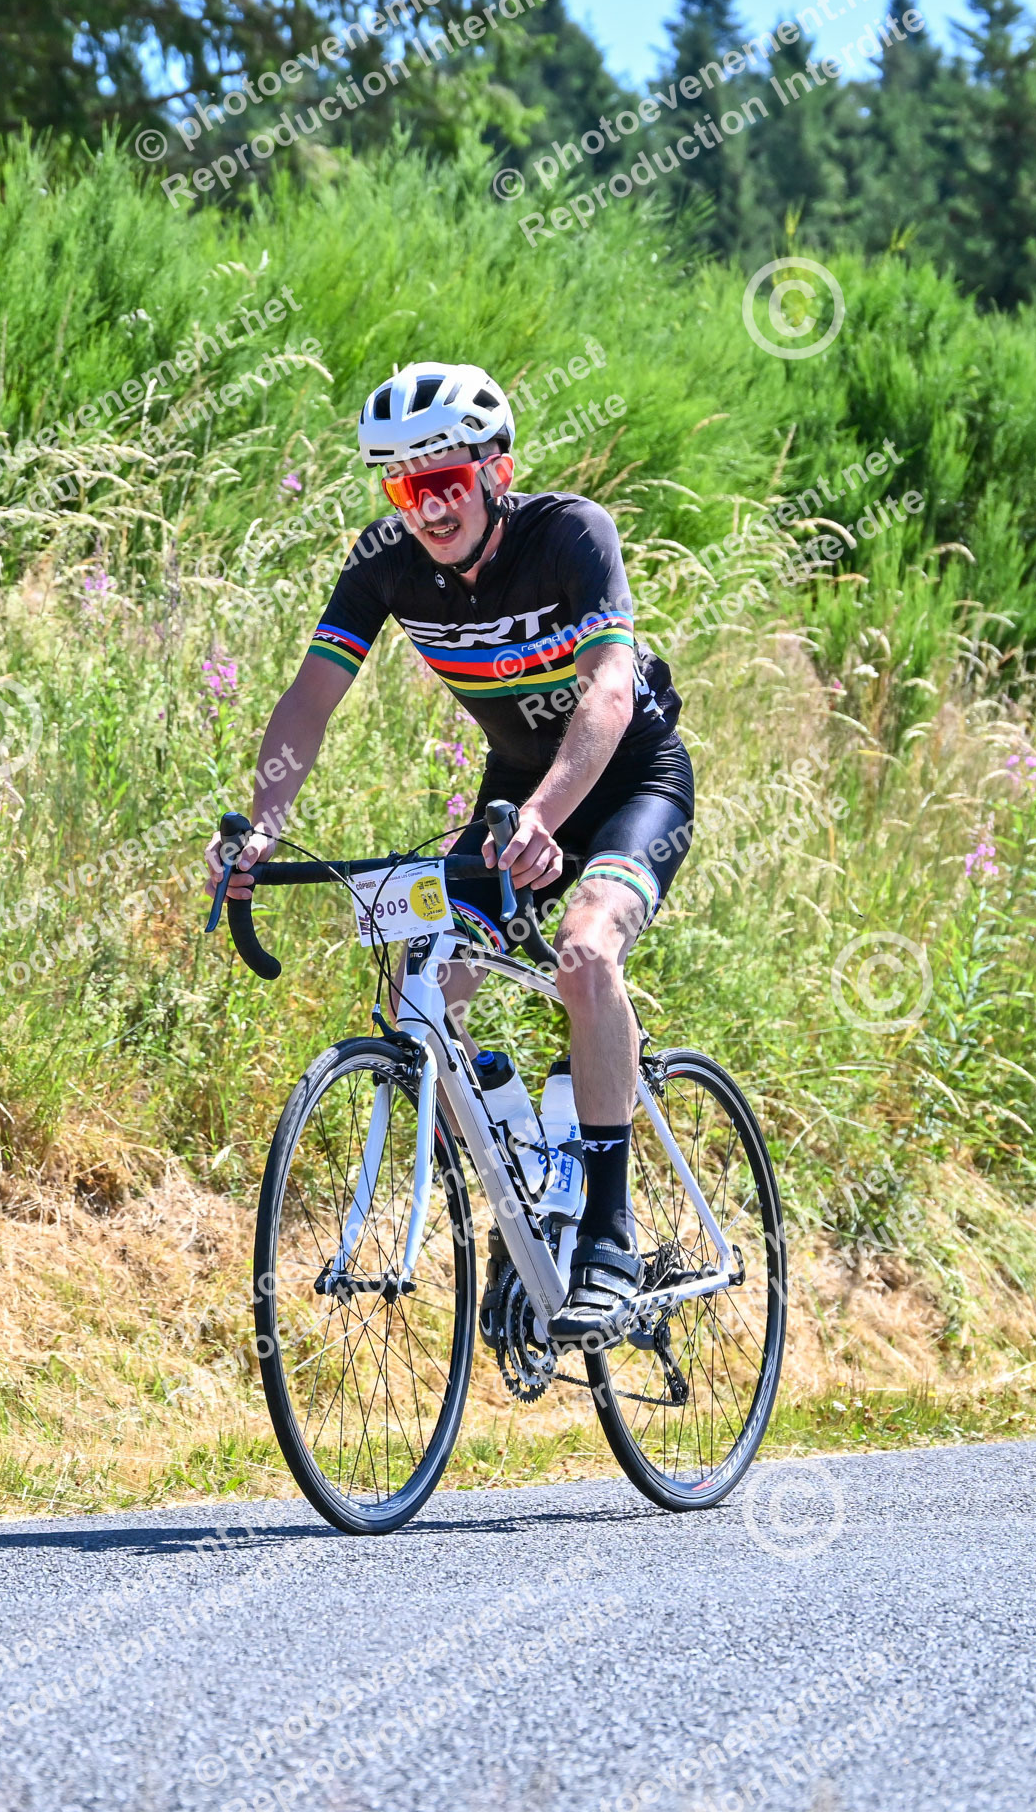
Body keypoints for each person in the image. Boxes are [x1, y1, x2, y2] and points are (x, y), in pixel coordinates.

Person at [204, 360, 694, 1345]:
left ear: (495, 471)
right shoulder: (386, 561)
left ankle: (607, 1232)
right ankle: (525, 1196)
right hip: (514, 798)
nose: (425, 508)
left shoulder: (572, 534)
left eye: (443, 482)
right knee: (421, 997)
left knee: (584, 952)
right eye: (402, 488)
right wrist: (262, 825)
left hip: (626, 781)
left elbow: (606, 693)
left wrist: (546, 816)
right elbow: (309, 697)